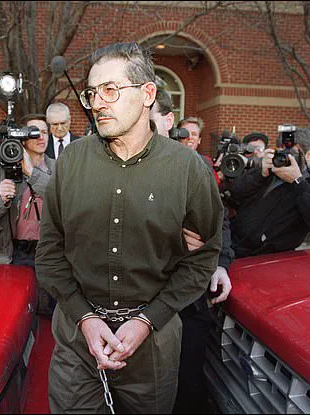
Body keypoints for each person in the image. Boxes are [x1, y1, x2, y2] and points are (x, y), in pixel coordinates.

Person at [35, 41, 223, 413]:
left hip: (153, 345)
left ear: (147, 94)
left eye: (110, 89)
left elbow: (204, 259)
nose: (97, 103)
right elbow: (50, 254)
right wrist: (86, 319)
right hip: (76, 339)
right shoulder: (71, 162)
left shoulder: (188, 169)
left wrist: (147, 321)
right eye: (92, 93)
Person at [151, 89, 233, 413]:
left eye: (148, 121)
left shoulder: (195, 166)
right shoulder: (117, 167)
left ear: (168, 121)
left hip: (189, 300)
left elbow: (218, 222)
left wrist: (220, 263)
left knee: (187, 383)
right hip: (138, 300)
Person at [0, 113, 56, 314]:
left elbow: (65, 198)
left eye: (45, 132)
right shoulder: (0, 172)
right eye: (34, 132)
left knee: (51, 309)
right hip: (19, 251)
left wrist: (31, 174)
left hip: (52, 250)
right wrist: (0, 200)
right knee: (20, 308)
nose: (41, 137)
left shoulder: (59, 168)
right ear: (21, 138)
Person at [229, 127, 310, 258]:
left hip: (267, 258)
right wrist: (260, 174)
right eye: (282, 151)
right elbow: (235, 194)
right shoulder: (270, 170)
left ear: (309, 154)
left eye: (292, 153)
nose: (286, 157)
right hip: (233, 244)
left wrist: (298, 182)